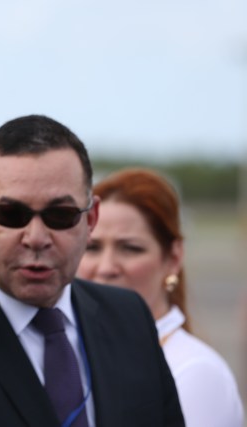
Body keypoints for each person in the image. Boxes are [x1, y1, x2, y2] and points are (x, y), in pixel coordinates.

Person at [0, 115, 185, 426]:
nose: (36, 238)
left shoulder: (129, 317)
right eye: (12, 214)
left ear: (91, 219)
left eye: (61, 215)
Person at [77, 167, 244, 427]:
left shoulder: (195, 373)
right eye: (93, 247)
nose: (106, 267)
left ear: (173, 258)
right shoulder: (76, 353)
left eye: (130, 248)